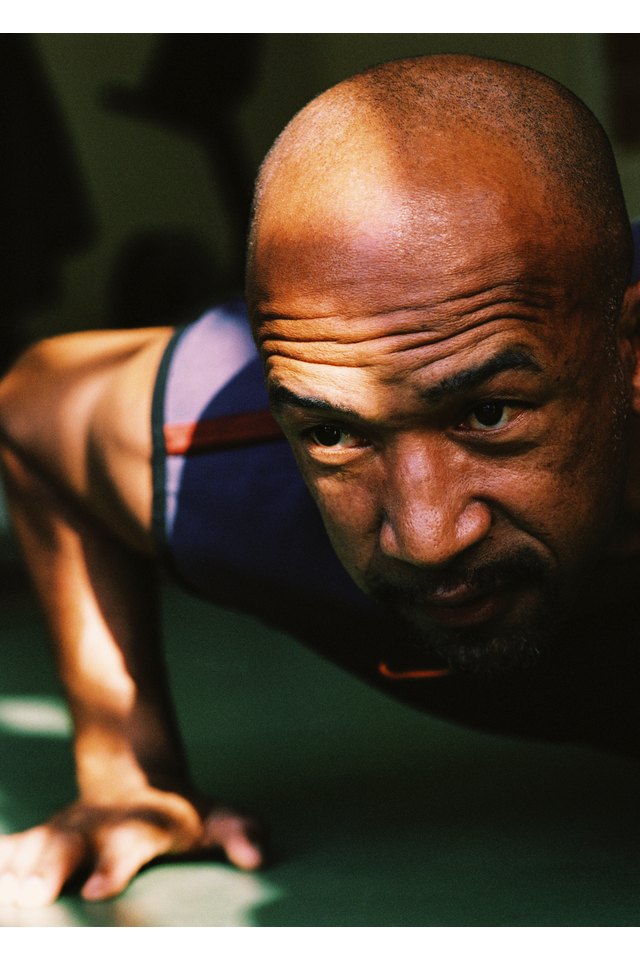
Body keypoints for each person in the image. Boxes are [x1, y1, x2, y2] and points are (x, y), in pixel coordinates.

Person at [0, 53, 639, 910]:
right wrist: (125, 772)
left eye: (488, 414)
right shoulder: (241, 468)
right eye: (336, 432)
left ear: (630, 357)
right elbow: (36, 411)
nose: (424, 536)